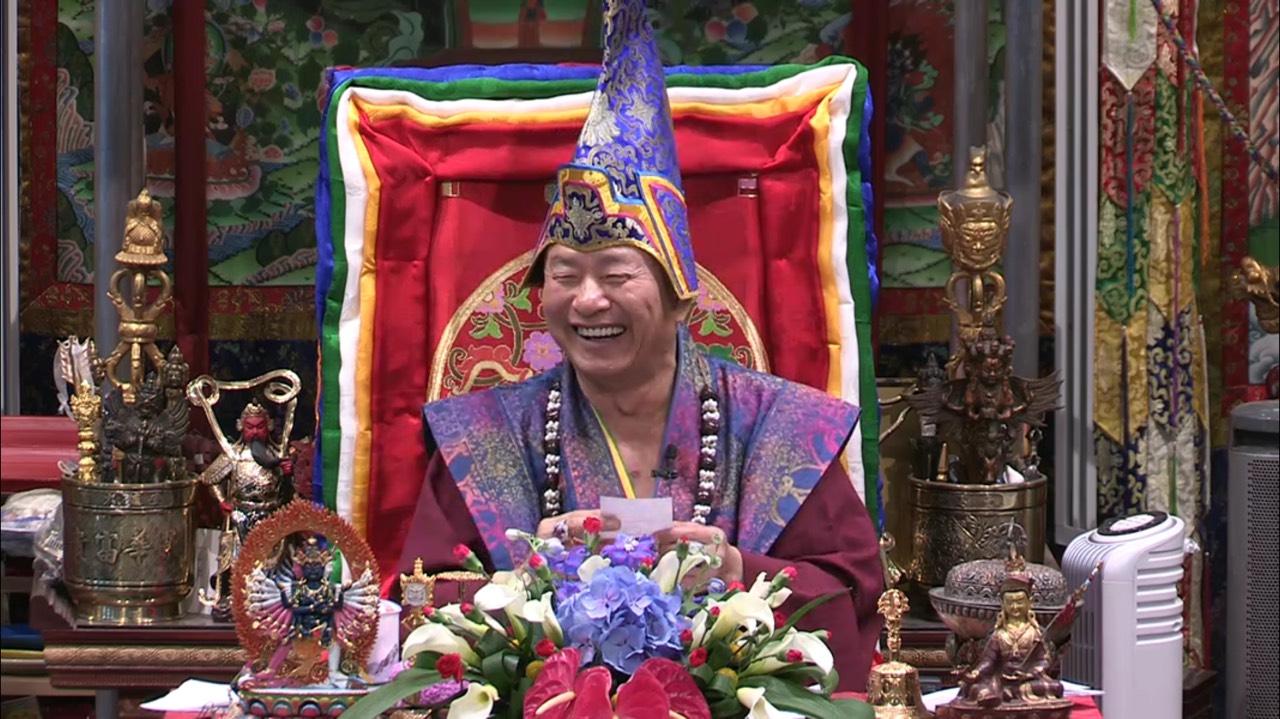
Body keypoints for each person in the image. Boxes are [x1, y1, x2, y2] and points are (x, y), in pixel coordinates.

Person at [397, 0, 884, 690]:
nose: (588, 300)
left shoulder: (778, 426)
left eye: (617, 274)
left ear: (683, 296)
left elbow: (852, 593)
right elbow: (425, 598)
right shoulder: (486, 435)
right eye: (565, 276)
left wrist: (737, 570)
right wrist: (530, 579)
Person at [957, 572, 1065, 706]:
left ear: (1029, 603)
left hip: (1027, 681)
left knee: (1056, 687)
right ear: (1003, 605)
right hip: (1001, 680)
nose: (1015, 607)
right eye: (1010, 603)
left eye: (1019, 602)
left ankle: (1009, 693)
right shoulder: (999, 634)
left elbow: (1044, 661)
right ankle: (1002, 693)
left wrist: (1030, 674)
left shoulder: (1036, 632)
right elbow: (988, 662)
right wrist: (975, 674)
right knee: (973, 688)